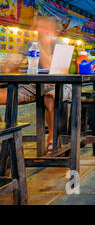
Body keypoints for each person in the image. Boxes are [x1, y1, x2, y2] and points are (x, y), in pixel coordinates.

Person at [0, 16, 72, 153]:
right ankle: (3, 139)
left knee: (50, 98)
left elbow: (53, 71)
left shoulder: (60, 44)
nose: (40, 30)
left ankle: (52, 139)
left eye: (44, 27)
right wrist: (14, 56)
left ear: (53, 30)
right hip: (33, 85)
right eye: (38, 27)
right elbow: (9, 69)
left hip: (59, 85)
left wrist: (42, 45)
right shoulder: (30, 45)